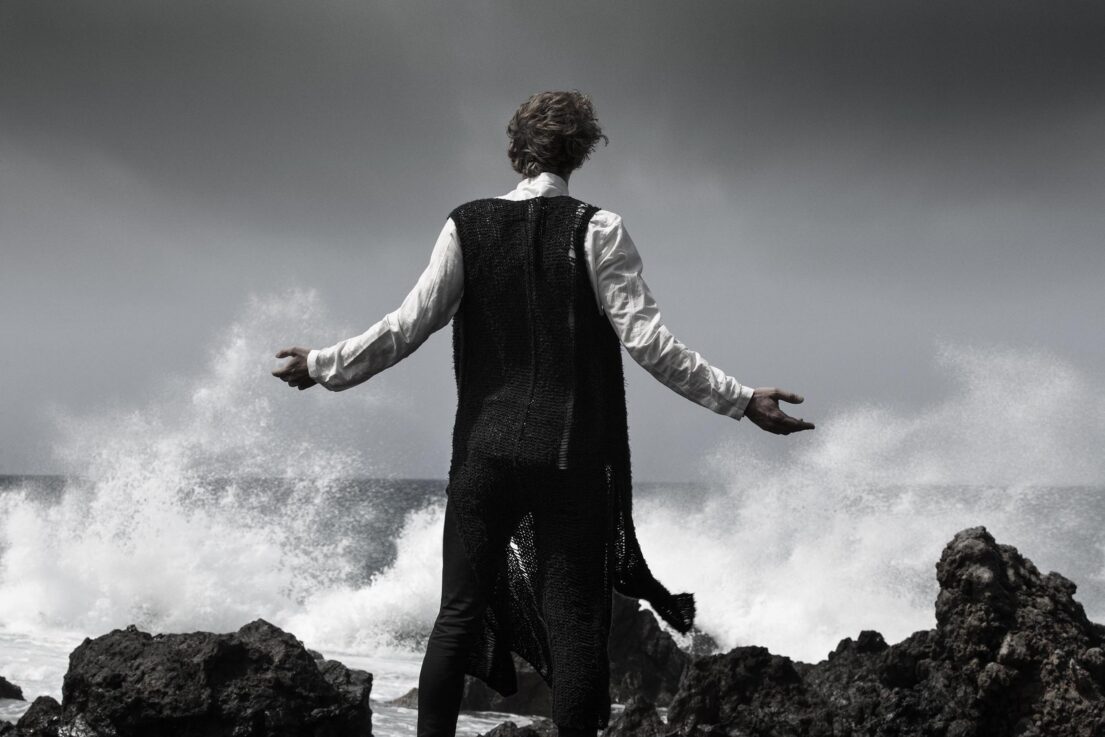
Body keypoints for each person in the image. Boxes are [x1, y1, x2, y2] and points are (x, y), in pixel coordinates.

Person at [273, 90, 814, 737]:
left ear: (516, 149)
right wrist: (741, 399)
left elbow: (406, 326)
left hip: (483, 456)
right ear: (580, 153)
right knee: (574, 628)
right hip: (569, 459)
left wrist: (322, 364)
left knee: (457, 616)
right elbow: (651, 345)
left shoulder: (466, 226)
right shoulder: (598, 229)